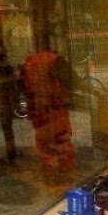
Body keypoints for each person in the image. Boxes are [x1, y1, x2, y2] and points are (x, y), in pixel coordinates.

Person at [19, 45, 76, 182]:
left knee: (43, 144)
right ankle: (64, 175)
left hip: (38, 111)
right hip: (55, 109)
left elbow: (22, 86)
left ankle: (49, 174)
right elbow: (71, 80)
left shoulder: (29, 62)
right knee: (61, 140)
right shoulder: (53, 60)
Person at [0, 36, 17, 164]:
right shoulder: (0, 60)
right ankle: (11, 154)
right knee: (6, 127)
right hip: (0, 97)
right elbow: (9, 74)